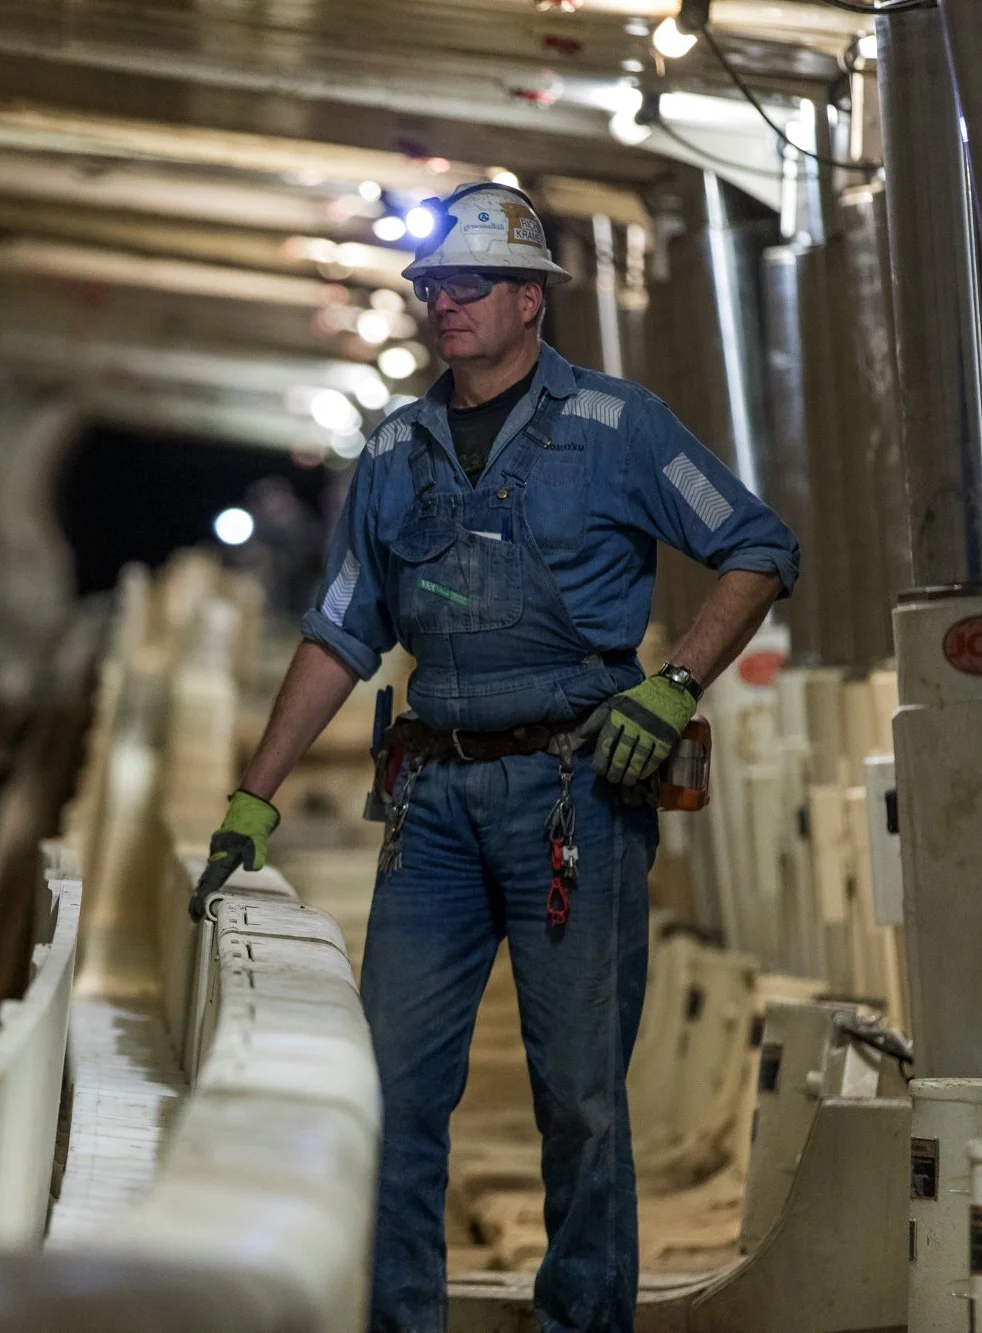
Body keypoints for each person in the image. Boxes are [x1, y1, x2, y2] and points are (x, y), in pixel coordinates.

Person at [189, 183, 799, 1333]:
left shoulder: (618, 428)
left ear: (529, 300)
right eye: (431, 287)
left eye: (467, 285)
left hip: (572, 792)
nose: (442, 304)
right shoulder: (395, 447)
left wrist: (673, 687)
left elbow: (756, 546)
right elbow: (338, 630)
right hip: (429, 798)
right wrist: (251, 796)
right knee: (394, 1090)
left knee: (576, 1100)